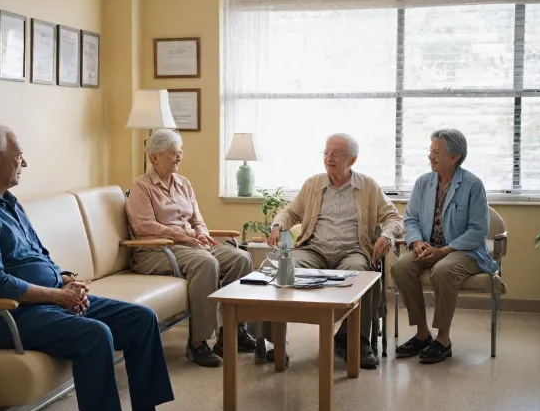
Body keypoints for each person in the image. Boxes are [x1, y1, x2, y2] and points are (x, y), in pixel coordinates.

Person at [0, 124, 205, 411]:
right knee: (95, 334)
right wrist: (57, 295)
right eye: (19, 157)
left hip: (48, 302)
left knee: (140, 319)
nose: (25, 163)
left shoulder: (8, 204)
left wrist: (64, 280)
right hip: (8, 317)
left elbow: (38, 256)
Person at [266, 133, 403, 370]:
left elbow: (393, 218)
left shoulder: (368, 186)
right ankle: (276, 342)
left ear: (352, 160)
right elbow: (290, 212)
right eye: (326, 152)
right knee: (284, 270)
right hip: (313, 249)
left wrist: (386, 234)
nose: (329, 158)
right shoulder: (313, 184)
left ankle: (356, 343)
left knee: (361, 275)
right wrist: (278, 225)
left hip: (353, 250)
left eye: (336, 154)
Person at [126, 129, 255, 368]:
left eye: (180, 152)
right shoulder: (141, 187)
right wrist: (183, 236)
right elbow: (144, 226)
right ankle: (199, 342)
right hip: (155, 250)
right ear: (154, 157)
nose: (179, 157)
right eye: (173, 153)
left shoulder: (183, 183)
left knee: (241, 258)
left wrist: (202, 234)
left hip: (191, 242)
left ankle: (233, 332)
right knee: (207, 263)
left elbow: (197, 218)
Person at [392, 128, 497, 365]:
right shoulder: (423, 182)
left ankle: (443, 339)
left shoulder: (473, 185)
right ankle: (422, 334)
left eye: (436, 152)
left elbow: (478, 230)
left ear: (455, 156)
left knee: (443, 270)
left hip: (463, 251)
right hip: (428, 246)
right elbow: (411, 219)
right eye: (430, 151)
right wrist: (417, 242)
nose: (430, 156)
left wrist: (445, 250)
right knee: (401, 267)